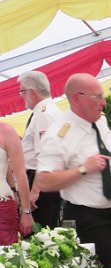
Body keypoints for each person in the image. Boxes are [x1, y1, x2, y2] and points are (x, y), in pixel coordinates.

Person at [36, 73, 111, 268]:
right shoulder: (59, 133)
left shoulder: (101, 122)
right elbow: (44, 181)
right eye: (97, 97)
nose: (103, 103)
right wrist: (83, 169)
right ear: (77, 98)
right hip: (88, 219)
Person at [18, 71, 62, 229]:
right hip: (43, 183)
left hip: (41, 185)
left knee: (39, 234)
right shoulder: (46, 111)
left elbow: (47, 156)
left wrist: (35, 191)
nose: (21, 96)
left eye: (22, 91)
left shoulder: (44, 114)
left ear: (32, 93)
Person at [0, 122, 33, 244]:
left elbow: (20, 175)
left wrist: (26, 212)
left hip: (2, 207)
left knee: (6, 252)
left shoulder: (6, 131)